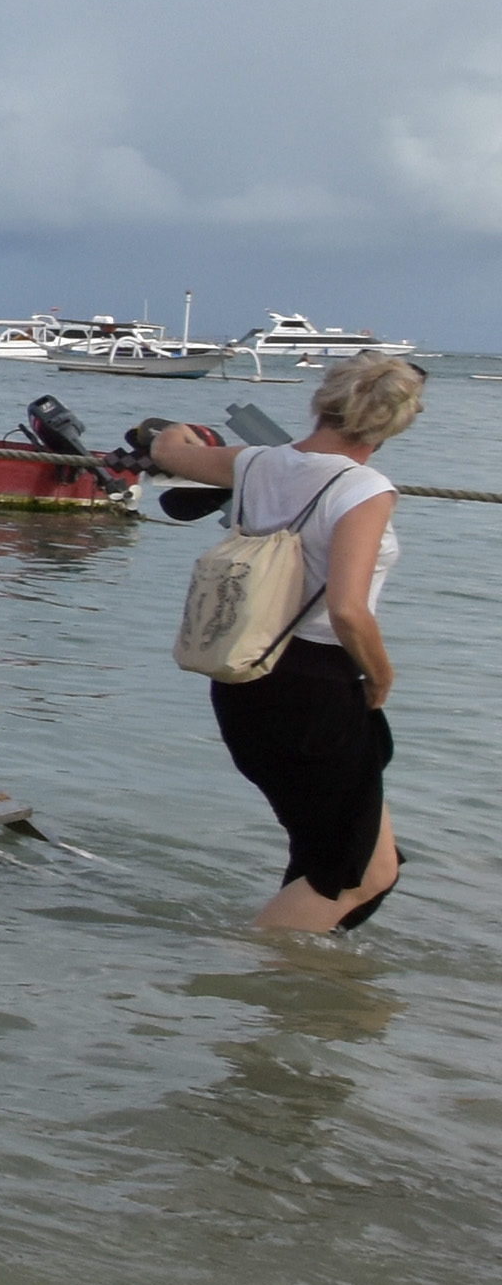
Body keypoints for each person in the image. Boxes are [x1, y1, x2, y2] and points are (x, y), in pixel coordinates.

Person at [137, 355, 422, 933]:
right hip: (317, 687)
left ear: (323, 401)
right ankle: (249, 973)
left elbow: (167, 450)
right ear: (392, 426)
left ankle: (305, 997)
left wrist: (179, 433)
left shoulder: (257, 463)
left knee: (373, 862)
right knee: (346, 871)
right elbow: (347, 609)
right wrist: (382, 677)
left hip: (247, 678)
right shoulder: (364, 488)